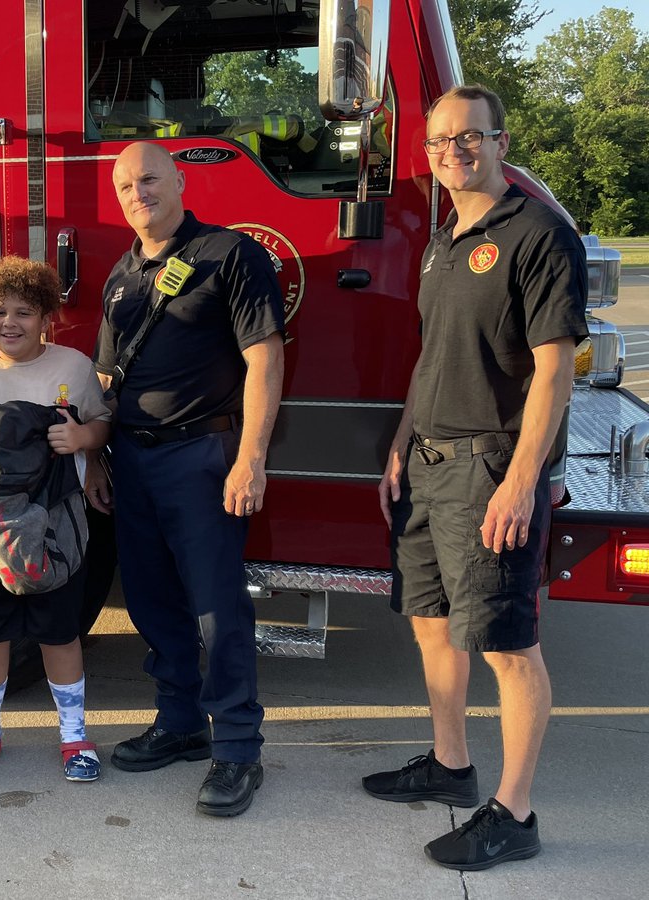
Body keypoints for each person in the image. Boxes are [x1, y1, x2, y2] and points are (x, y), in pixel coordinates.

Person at [365, 85, 588, 870]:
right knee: (431, 624)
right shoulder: (443, 239)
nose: (453, 151)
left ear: (500, 143)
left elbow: (555, 370)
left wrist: (522, 480)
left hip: (489, 466)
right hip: (428, 464)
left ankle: (515, 814)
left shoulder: (539, 233)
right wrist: (401, 442)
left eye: (470, 137)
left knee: (506, 645)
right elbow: (433, 355)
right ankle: (450, 765)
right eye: (439, 141)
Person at [91, 141, 285, 817]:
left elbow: (265, 360)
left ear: (179, 181)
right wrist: (96, 459)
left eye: (149, 179)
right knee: (150, 601)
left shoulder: (230, 254)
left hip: (202, 456)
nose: (137, 193)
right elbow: (104, 380)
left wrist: (250, 458)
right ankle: (179, 723)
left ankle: (237, 747)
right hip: (132, 459)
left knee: (216, 609)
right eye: (124, 186)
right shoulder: (121, 275)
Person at [0, 256, 111, 783]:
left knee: (61, 635)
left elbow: (102, 423)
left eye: (24, 313)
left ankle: (74, 736)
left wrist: (82, 437)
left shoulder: (73, 367)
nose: (9, 323)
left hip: (57, 532)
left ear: (47, 318)